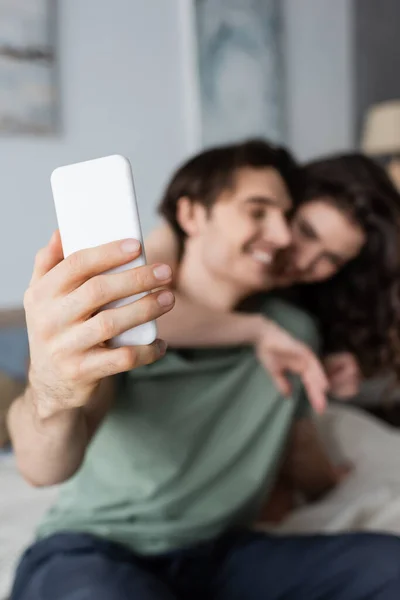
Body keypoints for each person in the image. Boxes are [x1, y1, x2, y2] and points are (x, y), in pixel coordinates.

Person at [9, 141, 400, 600]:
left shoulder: (295, 330)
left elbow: (301, 455)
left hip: (222, 554)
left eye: (331, 259)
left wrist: (325, 442)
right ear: (191, 216)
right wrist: (51, 393)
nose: (286, 242)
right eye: (259, 212)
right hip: (100, 549)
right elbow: (41, 463)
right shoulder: (129, 315)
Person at [146, 151, 400, 399]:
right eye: (306, 231)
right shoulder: (183, 240)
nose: (304, 261)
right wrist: (257, 331)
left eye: (331, 259)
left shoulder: (308, 310)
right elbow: (139, 310)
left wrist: (342, 369)